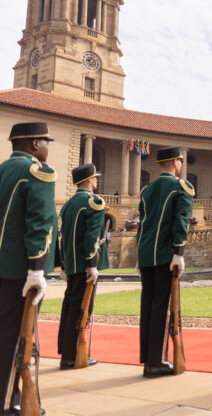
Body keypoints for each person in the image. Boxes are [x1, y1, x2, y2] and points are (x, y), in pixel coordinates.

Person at [0, 122, 57, 413]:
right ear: (34, 144)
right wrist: (37, 269)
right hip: (18, 271)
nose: (48, 146)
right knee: (15, 338)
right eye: (46, 141)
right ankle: (8, 401)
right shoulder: (37, 172)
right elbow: (40, 224)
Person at [136, 146, 194, 378]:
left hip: (146, 254)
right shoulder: (181, 187)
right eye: (180, 160)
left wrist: (140, 260)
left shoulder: (147, 190)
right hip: (164, 255)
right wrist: (178, 252)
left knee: (148, 306)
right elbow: (181, 220)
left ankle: (148, 358)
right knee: (163, 307)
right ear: (175, 162)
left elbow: (142, 224)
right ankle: (157, 361)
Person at [57, 163, 110, 370]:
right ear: (89, 180)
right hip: (84, 266)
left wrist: (63, 265)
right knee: (81, 310)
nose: (96, 180)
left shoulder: (69, 204)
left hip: (71, 265)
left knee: (69, 307)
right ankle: (72, 356)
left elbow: (64, 238)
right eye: (95, 177)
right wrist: (92, 264)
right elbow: (90, 238)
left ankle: (67, 352)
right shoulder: (93, 202)